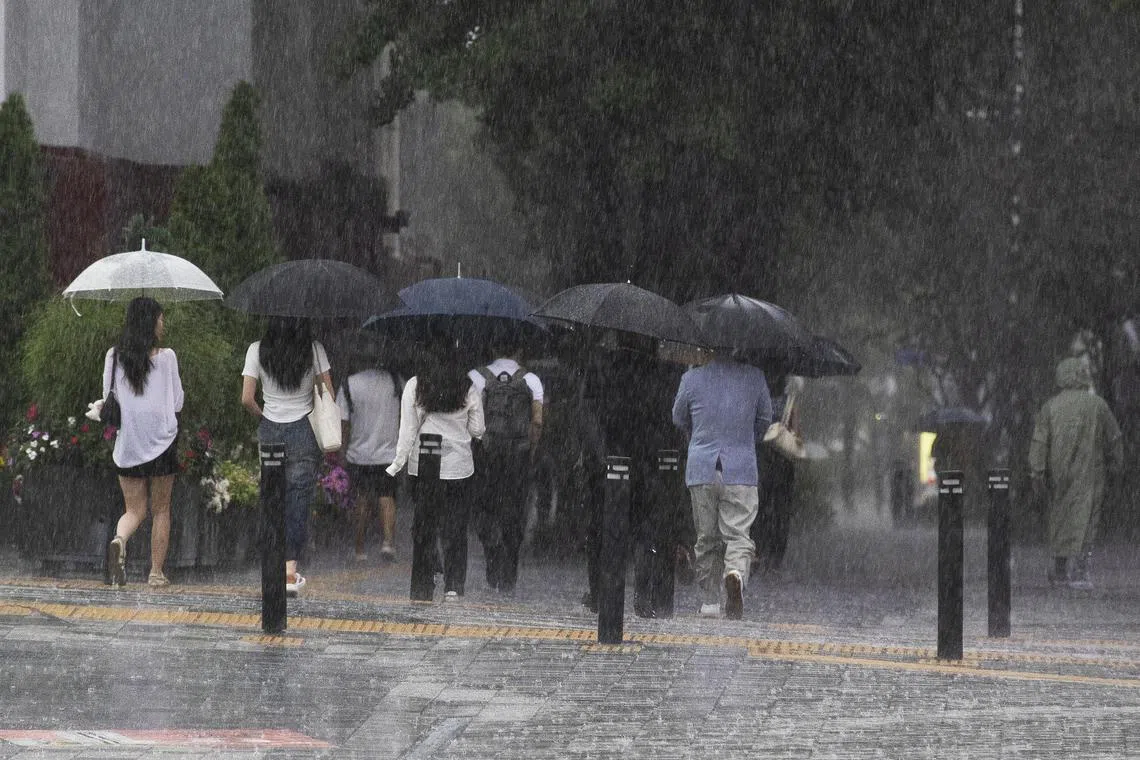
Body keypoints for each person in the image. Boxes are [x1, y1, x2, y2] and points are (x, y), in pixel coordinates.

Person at [672, 353, 772, 620]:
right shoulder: (755, 377)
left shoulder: (691, 378)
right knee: (738, 534)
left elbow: (678, 417)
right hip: (741, 468)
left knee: (706, 537)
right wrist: (744, 439)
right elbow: (764, 420)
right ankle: (735, 572)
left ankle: (709, 601)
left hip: (702, 467)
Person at [241, 317, 332, 596]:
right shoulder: (314, 349)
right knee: (297, 500)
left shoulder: (257, 349)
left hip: (270, 429)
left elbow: (246, 398)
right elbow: (328, 393)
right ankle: (289, 570)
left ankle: (270, 563)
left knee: (272, 497)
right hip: (303, 430)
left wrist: (265, 417)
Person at [387, 343, 484, 602]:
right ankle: (454, 585)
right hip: (459, 468)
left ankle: (423, 580)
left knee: (425, 524)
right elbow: (477, 429)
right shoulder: (468, 386)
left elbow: (407, 431)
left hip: (424, 467)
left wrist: (397, 464)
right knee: (456, 526)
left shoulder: (415, 386)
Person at [104, 297, 185, 589]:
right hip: (162, 442)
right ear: (151, 322)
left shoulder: (114, 356)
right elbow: (178, 402)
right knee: (161, 510)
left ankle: (119, 539)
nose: (163, 324)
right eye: (161, 319)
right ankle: (155, 573)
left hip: (129, 446)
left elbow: (108, 397)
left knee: (134, 511)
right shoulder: (167, 357)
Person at [1028, 357, 1123, 589]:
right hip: (1091, 473)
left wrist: (1037, 474)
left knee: (1060, 519)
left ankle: (1060, 571)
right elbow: (1114, 438)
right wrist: (1116, 466)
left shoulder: (1050, 407)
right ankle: (1080, 571)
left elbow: (1039, 443)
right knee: (1087, 520)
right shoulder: (1098, 405)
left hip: (1058, 476)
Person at [469, 337, 543, 593]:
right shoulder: (531, 380)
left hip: (486, 454)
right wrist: (531, 450)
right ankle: (510, 566)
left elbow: (470, 417)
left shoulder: (477, 377)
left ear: (493, 347)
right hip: (518, 456)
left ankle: (492, 553)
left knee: (485, 507)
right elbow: (537, 421)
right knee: (514, 508)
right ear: (519, 349)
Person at [336, 362, 402, 561]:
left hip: (359, 453)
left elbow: (344, 423)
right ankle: (388, 543)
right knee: (387, 496)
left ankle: (359, 549)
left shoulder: (349, 384)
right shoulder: (397, 382)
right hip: (389, 452)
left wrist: (342, 451)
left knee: (361, 498)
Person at [750, 372, 799, 576]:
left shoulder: (755, 398)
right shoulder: (789, 402)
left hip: (759, 458)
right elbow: (796, 433)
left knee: (757, 508)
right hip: (783, 462)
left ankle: (756, 552)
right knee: (780, 510)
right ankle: (775, 559)